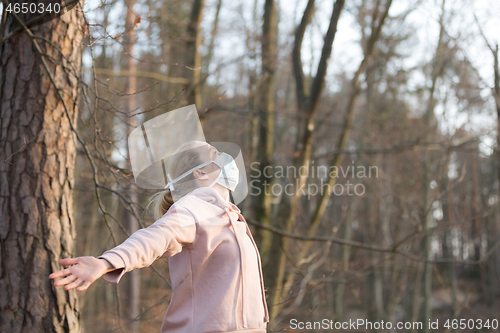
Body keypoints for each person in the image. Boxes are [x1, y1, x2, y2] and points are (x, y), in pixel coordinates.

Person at [49, 141, 269, 333]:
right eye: (214, 153)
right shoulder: (193, 209)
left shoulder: (230, 218)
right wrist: (107, 261)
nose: (224, 157)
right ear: (199, 172)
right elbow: (154, 238)